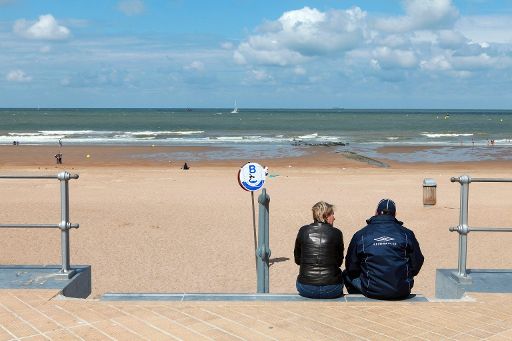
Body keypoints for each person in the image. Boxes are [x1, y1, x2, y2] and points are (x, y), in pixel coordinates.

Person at [343, 199, 424, 300]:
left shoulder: (361, 234)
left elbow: (351, 265)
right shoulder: (406, 233)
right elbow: (417, 262)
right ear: (394, 214)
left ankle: (361, 303)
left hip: (371, 289)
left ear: (376, 213)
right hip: (401, 290)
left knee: (346, 274)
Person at [294, 201, 344, 299]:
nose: (334, 217)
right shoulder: (337, 233)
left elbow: (297, 260)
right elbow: (339, 262)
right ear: (325, 216)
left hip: (306, 287)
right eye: (332, 214)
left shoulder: (303, 231)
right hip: (332, 288)